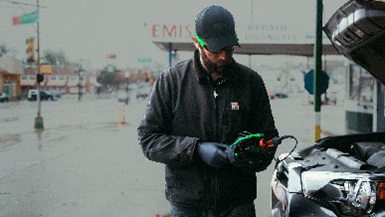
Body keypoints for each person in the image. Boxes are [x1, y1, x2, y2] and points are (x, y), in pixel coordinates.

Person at [137, 5, 279, 217]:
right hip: (187, 204)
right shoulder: (171, 82)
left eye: (229, 48)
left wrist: (249, 155)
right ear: (196, 42)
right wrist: (195, 149)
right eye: (215, 49)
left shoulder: (251, 82)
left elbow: (269, 138)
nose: (223, 56)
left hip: (237, 203)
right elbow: (149, 140)